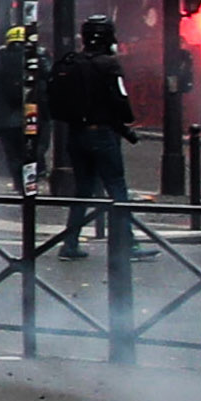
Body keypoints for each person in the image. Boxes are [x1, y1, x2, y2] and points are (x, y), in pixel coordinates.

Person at [42, 15, 139, 254]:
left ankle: (70, 244)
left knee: (82, 191)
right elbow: (122, 104)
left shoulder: (71, 63)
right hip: (103, 136)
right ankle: (127, 245)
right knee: (116, 189)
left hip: (76, 136)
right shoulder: (109, 64)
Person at [0, 19, 42, 192]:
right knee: (32, 152)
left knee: (13, 155)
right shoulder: (37, 58)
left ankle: (19, 185)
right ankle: (31, 185)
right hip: (32, 117)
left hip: (5, 119)